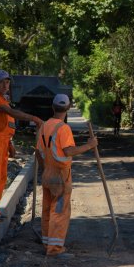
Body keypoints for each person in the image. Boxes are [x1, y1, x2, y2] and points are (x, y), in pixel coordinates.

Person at [36, 94, 97, 258]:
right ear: (68, 108)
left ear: (53, 107)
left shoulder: (44, 126)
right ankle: (54, 249)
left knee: (48, 210)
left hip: (48, 175)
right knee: (59, 212)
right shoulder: (63, 128)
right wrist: (89, 145)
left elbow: (38, 151)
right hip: (61, 177)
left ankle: (47, 242)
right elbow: (69, 151)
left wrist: (44, 169)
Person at [0, 70, 43, 222]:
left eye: (7, 82)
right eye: (1, 82)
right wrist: (33, 118)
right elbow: (11, 113)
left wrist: (10, 144)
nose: (5, 85)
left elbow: (4, 126)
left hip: (1, 146)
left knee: (0, 178)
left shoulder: (2, 100)